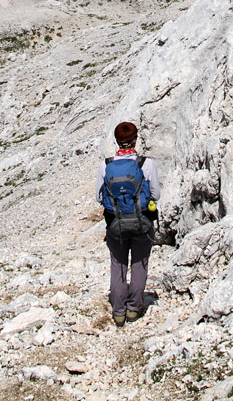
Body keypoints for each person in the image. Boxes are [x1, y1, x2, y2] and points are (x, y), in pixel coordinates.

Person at [96, 121, 160, 326]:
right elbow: (156, 194)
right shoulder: (145, 164)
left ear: (117, 141)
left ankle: (118, 311)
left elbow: (99, 198)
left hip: (115, 224)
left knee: (118, 264)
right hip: (142, 222)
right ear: (135, 139)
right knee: (139, 263)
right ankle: (134, 308)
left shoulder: (106, 164)